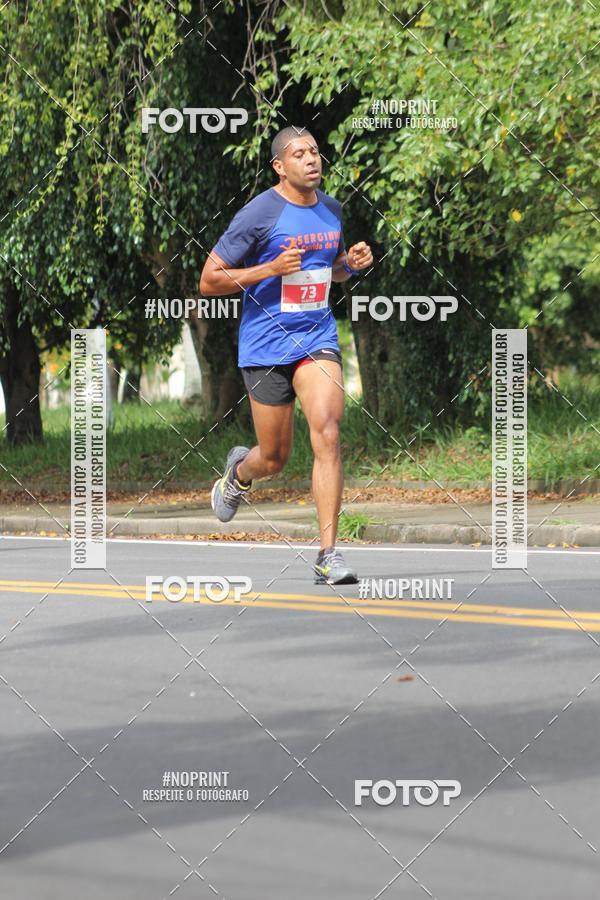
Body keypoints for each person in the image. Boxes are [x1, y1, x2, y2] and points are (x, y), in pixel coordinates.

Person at [199, 125, 373, 584]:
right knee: (274, 458)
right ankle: (240, 472)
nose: (311, 159)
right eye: (299, 154)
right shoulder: (259, 213)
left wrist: (350, 266)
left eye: (315, 151)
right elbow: (209, 280)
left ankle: (328, 554)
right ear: (280, 166)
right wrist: (269, 268)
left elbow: (329, 271)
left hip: (316, 338)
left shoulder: (331, 210)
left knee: (328, 432)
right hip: (265, 346)